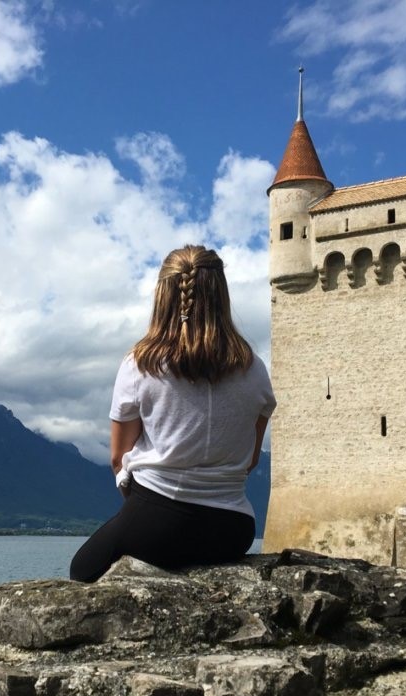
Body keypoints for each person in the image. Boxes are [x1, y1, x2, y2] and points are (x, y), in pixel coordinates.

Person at [69, 245, 275, 582]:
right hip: (234, 529)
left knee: (83, 570)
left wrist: (140, 507)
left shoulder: (142, 363)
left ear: (162, 295)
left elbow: (119, 459)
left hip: (157, 518)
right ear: (220, 295)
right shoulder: (254, 370)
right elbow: (250, 460)